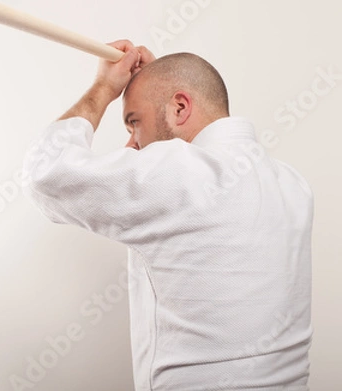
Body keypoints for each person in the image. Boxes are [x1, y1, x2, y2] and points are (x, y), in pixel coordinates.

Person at [20, 40, 314, 390]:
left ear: (179, 107)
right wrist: (156, 90)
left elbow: (45, 173)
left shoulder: (178, 172)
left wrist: (104, 88)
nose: (131, 145)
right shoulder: (294, 185)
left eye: (134, 123)